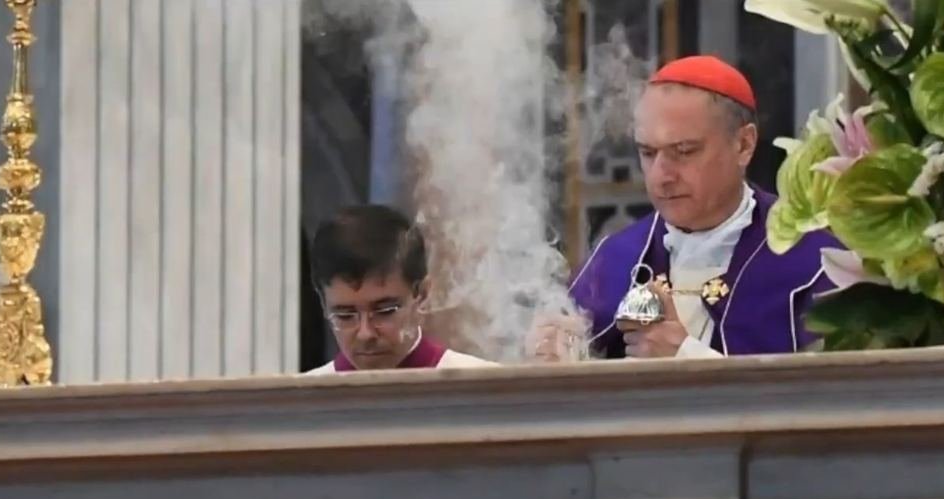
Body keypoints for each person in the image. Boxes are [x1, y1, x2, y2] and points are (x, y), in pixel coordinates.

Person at [537, 55, 838, 361]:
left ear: (744, 145)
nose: (661, 176)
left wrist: (687, 357)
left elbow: (833, 400)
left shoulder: (815, 263)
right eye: (648, 153)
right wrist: (557, 353)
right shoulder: (615, 258)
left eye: (683, 151)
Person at [305, 204, 493, 373]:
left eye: (385, 311)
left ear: (422, 294)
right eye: (345, 316)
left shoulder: (486, 390)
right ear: (323, 304)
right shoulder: (300, 403)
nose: (365, 334)